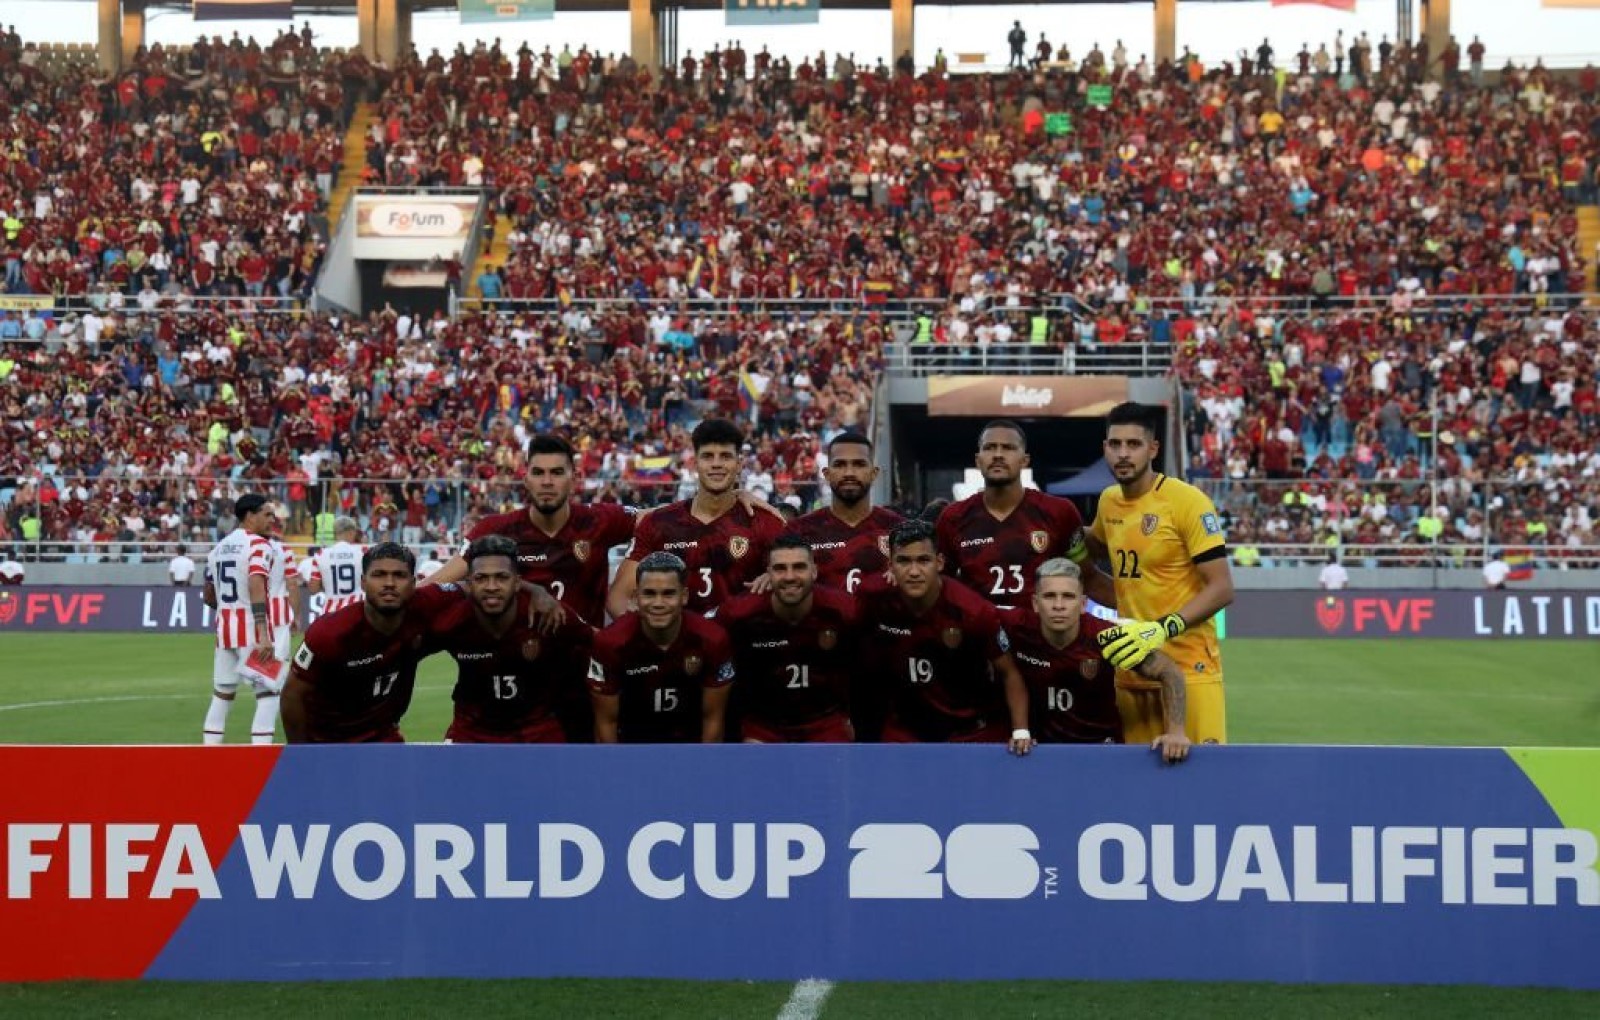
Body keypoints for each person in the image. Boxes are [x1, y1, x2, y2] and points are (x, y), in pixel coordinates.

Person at [1090, 402, 1234, 746]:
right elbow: (1091, 555)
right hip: (1131, 669)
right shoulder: (1109, 502)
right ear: (1105, 449)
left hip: (1190, 668)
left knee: (1200, 789)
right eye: (1115, 444)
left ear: (1153, 448)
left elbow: (1222, 588)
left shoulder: (1186, 502)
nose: (1123, 454)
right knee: (1136, 794)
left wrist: (1160, 628)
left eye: (1134, 444)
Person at [856, 520, 1032, 754]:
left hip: (969, 731)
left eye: (923, 561)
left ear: (939, 562)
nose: (914, 571)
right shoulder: (873, 597)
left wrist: (1021, 731)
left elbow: (1009, 672)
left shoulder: (973, 611)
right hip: (906, 731)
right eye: (904, 561)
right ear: (890, 565)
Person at [426, 435, 635, 626]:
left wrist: (620, 592)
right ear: (526, 479)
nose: (546, 482)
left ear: (574, 479)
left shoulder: (600, 520)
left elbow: (659, 519)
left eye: (557, 473)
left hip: (582, 662)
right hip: (513, 662)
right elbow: (434, 586)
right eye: (538, 473)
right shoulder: (494, 529)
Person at [1003, 559, 1189, 762]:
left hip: (1102, 753)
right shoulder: (1018, 630)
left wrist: (1176, 732)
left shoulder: (1107, 636)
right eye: (1049, 596)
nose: (1058, 605)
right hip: (1039, 753)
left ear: (1083, 604)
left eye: (1068, 597)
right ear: (1035, 603)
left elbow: (1169, 671)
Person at [281, 543, 462, 743]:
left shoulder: (427, 603)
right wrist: (300, 754)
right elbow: (292, 695)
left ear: (414, 583)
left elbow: (470, 589)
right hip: (328, 741)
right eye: (379, 575)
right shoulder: (330, 633)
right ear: (363, 582)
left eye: (399, 576)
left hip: (383, 737)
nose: (389, 583)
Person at [608, 419, 786, 618]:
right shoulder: (659, 523)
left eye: (725, 456)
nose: (716, 464)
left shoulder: (765, 522)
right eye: (708, 456)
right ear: (695, 463)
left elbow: (799, 582)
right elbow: (618, 599)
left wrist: (779, 579)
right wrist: (655, 637)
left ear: (739, 464)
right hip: (678, 645)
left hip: (742, 645)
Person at [428, 536, 596, 743]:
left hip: (538, 731)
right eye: (481, 578)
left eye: (501, 577)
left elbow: (602, 643)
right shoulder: (451, 621)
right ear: (469, 584)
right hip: (471, 732)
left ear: (517, 583)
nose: (492, 586)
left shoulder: (549, 614)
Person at [935, 420, 1113, 608]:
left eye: (1008, 448)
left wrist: (1142, 606)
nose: (998, 455)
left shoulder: (1059, 512)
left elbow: (1089, 578)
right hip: (979, 633)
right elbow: (938, 586)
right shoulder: (953, 518)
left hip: (1039, 634)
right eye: (990, 448)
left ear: (1025, 461)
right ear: (978, 460)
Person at [717, 536, 859, 743]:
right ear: (768, 574)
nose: (790, 576)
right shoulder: (739, 615)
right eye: (780, 568)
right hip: (763, 727)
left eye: (799, 567)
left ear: (814, 571)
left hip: (825, 723)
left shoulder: (845, 611)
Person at [588, 552, 734, 744]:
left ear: (684, 596)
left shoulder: (713, 639)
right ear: (635, 597)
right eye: (649, 593)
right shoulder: (610, 643)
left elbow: (713, 719)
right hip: (632, 746)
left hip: (690, 745)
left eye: (668, 593)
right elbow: (606, 723)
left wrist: (702, 768)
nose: (658, 603)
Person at [200, 494, 280, 746]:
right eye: (267, 514)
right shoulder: (259, 545)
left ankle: (208, 758)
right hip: (252, 631)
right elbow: (256, 582)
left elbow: (209, 595)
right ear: (250, 516)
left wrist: (227, 607)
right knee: (269, 694)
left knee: (222, 695)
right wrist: (263, 633)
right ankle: (260, 760)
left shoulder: (218, 549)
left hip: (225, 632)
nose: (272, 520)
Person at [785, 431, 904, 593]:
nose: (849, 473)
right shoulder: (798, 531)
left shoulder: (898, 529)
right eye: (840, 464)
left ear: (873, 473)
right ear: (826, 474)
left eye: (859, 464)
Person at [308, 517, 365, 614]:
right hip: (356, 610)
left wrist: (327, 582)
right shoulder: (362, 552)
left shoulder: (321, 555)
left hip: (331, 611)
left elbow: (313, 588)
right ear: (351, 532)